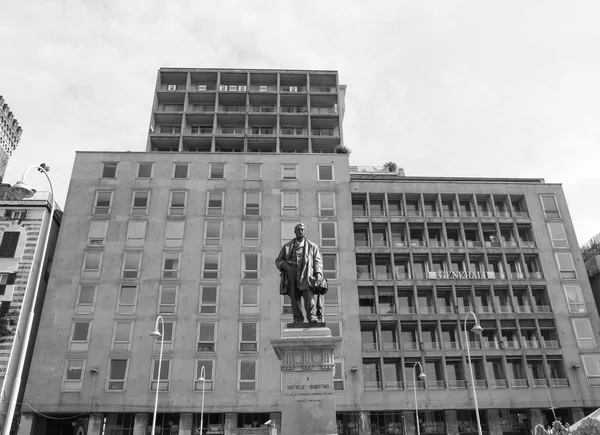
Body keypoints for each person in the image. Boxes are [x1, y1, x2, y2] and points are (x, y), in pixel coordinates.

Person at [276, 223, 323, 323]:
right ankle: (298, 319)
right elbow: (279, 260)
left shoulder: (312, 246)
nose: (300, 231)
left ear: (304, 231)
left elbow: (317, 261)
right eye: (298, 230)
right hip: (292, 274)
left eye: (302, 230)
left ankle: (312, 317)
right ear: (295, 232)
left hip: (306, 274)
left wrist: (318, 274)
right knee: (294, 298)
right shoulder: (287, 247)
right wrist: (285, 266)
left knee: (309, 297)